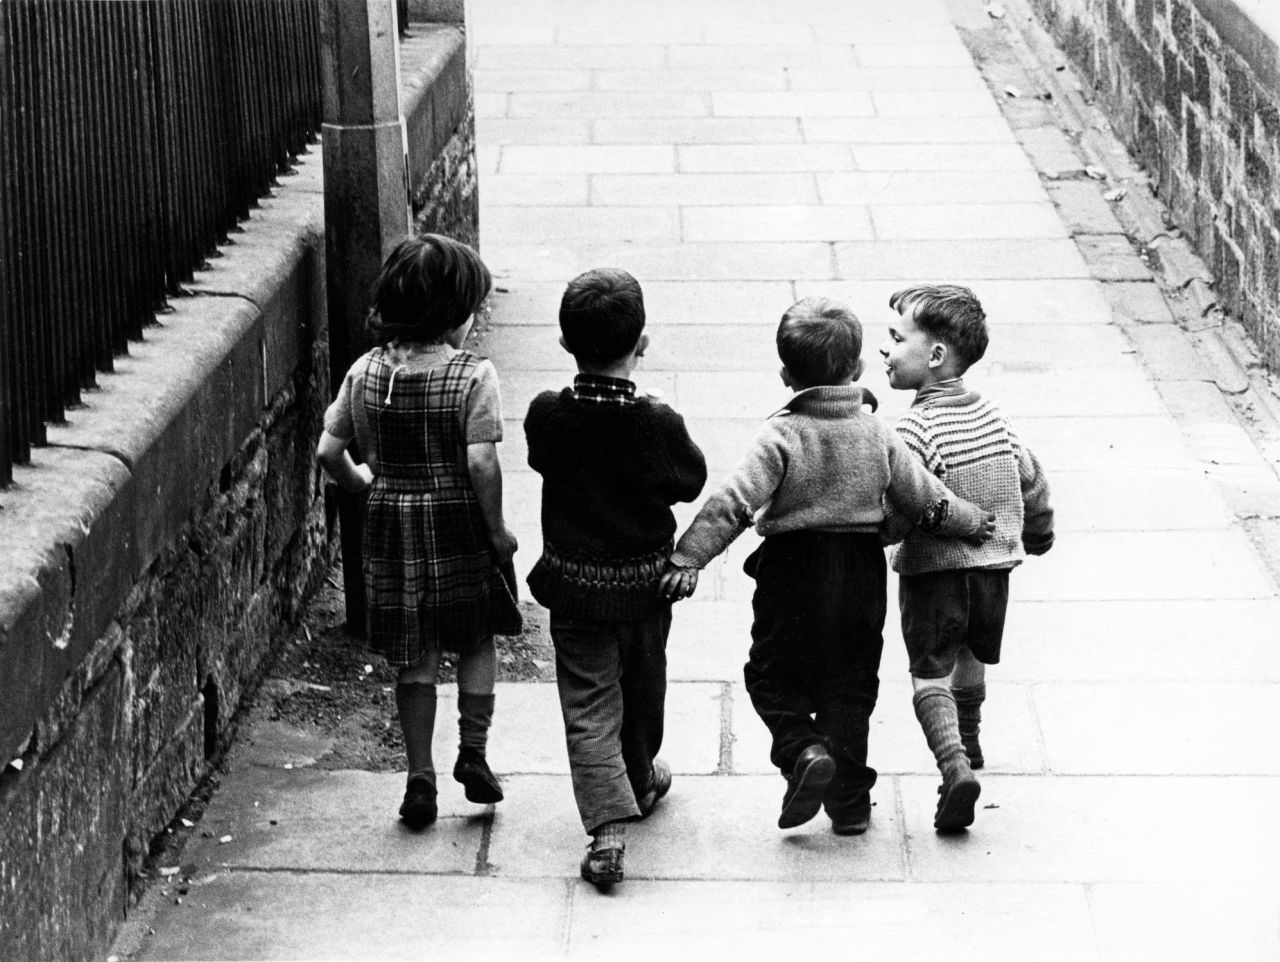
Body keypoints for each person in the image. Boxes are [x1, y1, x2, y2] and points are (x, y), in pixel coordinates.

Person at [659, 297, 994, 836]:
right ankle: (851, 806)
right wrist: (972, 520)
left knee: (770, 675)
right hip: (859, 574)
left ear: (787, 375)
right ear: (857, 370)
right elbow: (924, 501)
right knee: (851, 688)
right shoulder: (879, 434)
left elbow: (735, 504)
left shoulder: (781, 435)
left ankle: (802, 749)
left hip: (791, 572)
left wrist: (688, 556)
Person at [317, 234, 521, 830]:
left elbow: (330, 451)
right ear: (456, 315)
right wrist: (498, 531)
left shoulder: (366, 370)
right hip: (459, 522)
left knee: (416, 654)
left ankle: (419, 777)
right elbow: (482, 463)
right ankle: (474, 753)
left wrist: (366, 486)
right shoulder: (473, 377)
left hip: (392, 526)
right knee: (478, 637)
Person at [524, 267, 707, 889]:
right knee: (643, 686)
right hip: (644, 590)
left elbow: (538, 456)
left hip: (574, 589)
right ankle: (639, 775)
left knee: (589, 705)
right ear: (644, 341)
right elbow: (690, 481)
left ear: (565, 344)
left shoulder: (548, 415)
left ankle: (610, 824)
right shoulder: (658, 423)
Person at [880, 283, 1054, 833]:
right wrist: (1040, 532)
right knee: (971, 651)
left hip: (935, 575)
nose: (885, 350)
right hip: (996, 573)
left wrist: (877, 537)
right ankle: (972, 738)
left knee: (930, 672)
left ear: (934, 356)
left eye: (896, 338)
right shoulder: (995, 417)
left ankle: (954, 767)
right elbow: (1031, 477)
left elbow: (906, 502)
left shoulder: (914, 427)